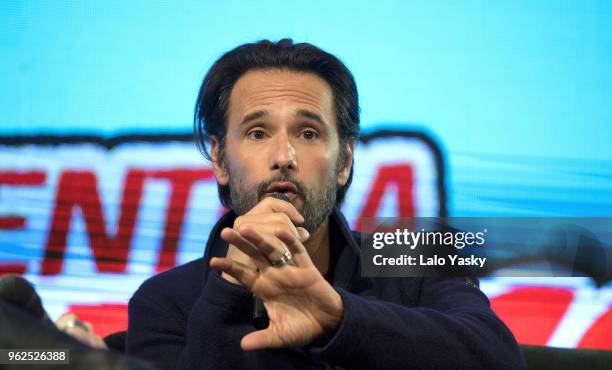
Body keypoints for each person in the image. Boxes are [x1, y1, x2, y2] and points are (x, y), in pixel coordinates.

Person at [126, 39, 525, 370]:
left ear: (345, 160)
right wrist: (228, 293)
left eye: (309, 133)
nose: (284, 156)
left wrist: (338, 317)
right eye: (258, 132)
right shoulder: (164, 302)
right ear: (219, 157)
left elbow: (500, 359)